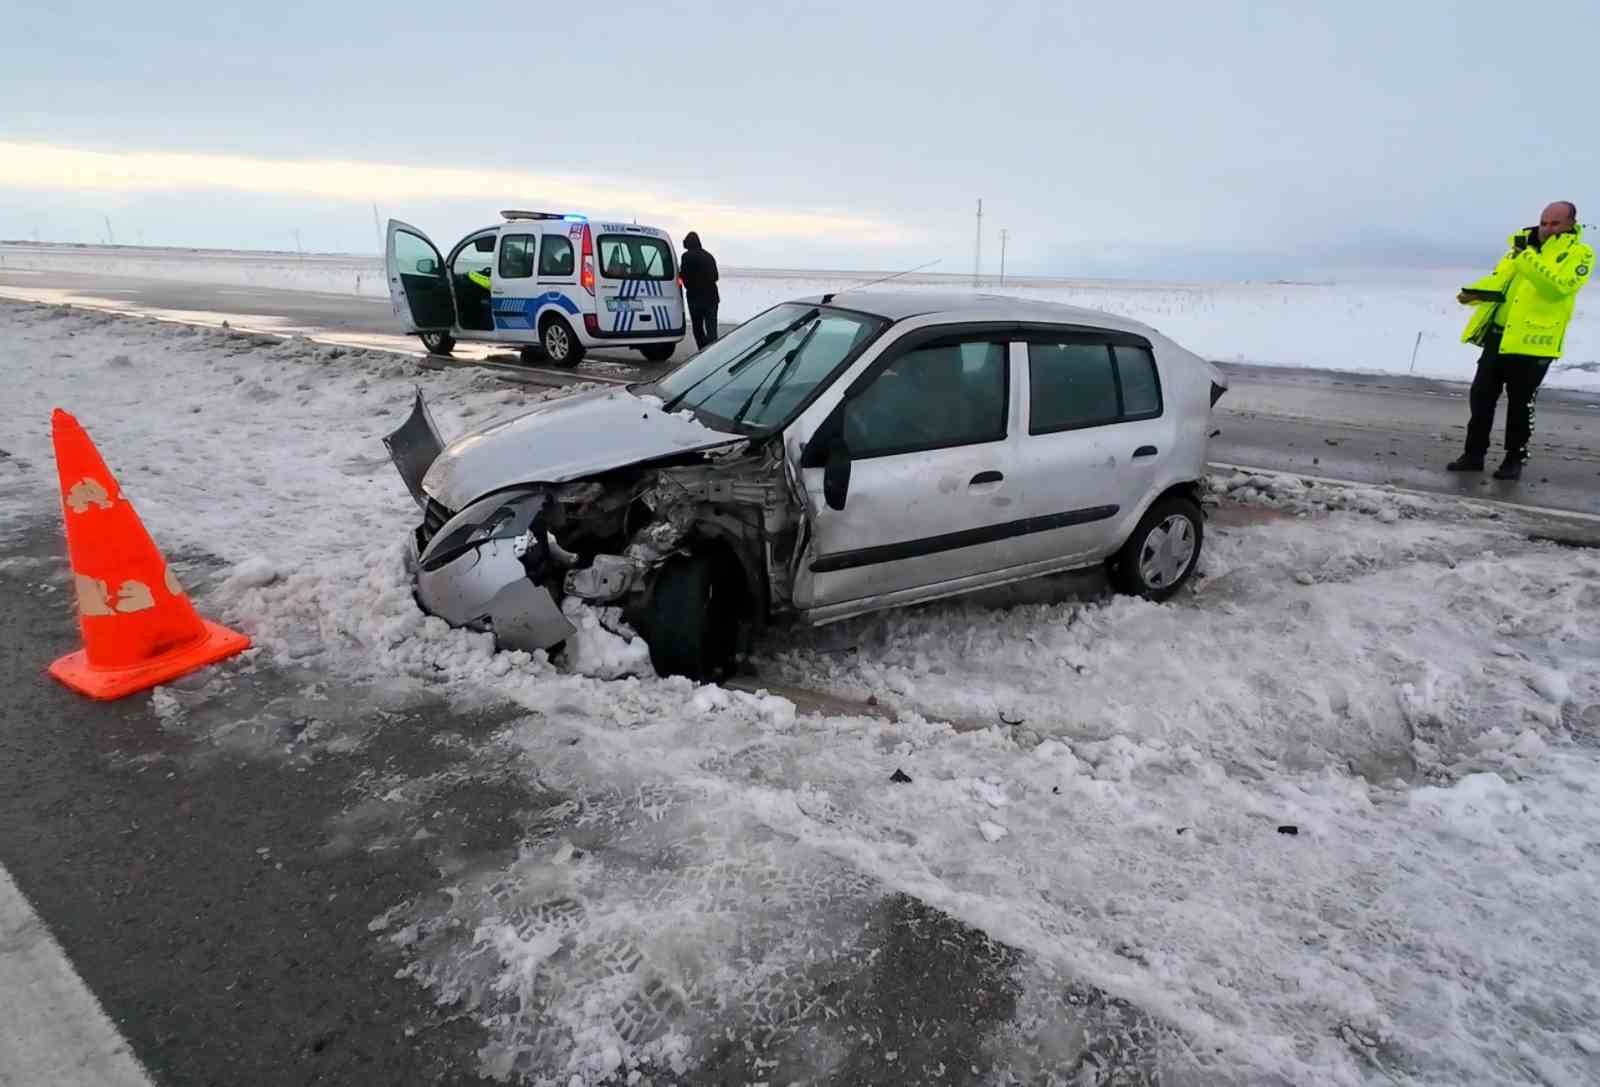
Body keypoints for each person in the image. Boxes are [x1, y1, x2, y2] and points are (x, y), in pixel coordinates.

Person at [1448, 202, 1592, 481]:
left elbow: (1555, 288)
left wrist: (1526, 256)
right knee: (1481, 399)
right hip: (1499, 337)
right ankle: (1473, 455)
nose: (1547, 229)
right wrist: (1475, 294)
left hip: (1533, 343)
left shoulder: (1578, 254)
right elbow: (1501, 281)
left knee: (1520, 406)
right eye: (1544, 222)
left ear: (1571, 225)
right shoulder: (1518, 249)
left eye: (1555, 224)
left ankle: (1514, 459)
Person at [679, 231, 720, 350]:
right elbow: (716, 276)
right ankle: (712, 352)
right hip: (711, 297)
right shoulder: (708, 256)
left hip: (695, 298)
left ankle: (702, 352)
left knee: (698, 329)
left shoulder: (686, 256)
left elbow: (683, 275)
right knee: (712, 329)